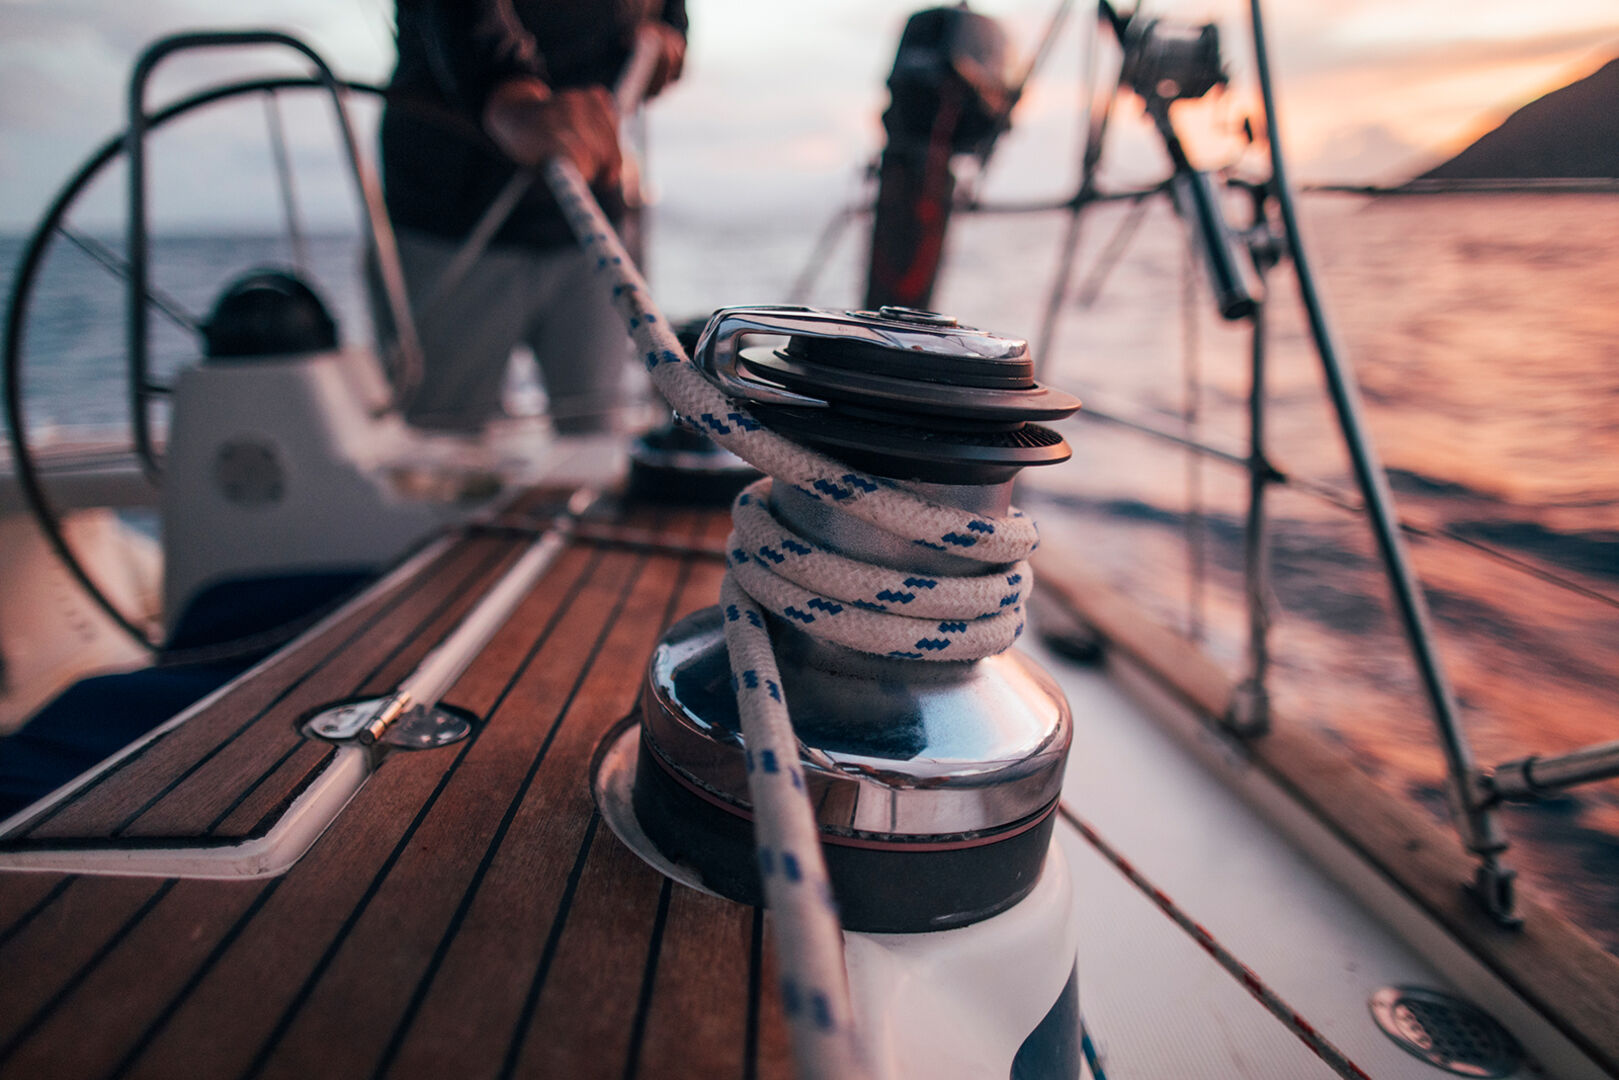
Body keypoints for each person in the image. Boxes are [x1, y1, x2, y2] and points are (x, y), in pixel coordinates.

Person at [378, 1, 688, 435]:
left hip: (593, 221)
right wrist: (507, 90)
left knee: (599, 431)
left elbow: (669, 15)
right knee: (439, 449)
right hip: (453, 220)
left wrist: (669, 34)